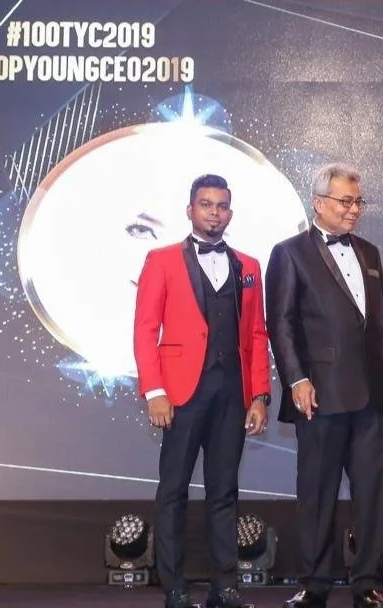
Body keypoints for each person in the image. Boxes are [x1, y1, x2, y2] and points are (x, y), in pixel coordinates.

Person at [264, 163, 383, 608]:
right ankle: (315, 584)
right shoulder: (288, 253)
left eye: (358, 201)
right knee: (318, 494)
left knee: (373, 493)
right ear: (319, 202)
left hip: (373, 395)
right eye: (346, 201)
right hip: (319, 394)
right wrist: (296, 379)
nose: (354, 210)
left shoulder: (370, 252)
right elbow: (280, 324)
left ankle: (366, 582)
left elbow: (381, 326)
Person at [133, 173, 273, 608]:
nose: (214, 212)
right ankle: (174, 588)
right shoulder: (160, 260)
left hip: (232, 393)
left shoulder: (248, 266)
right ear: (190, 209)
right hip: (179, 393)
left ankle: (224, 588)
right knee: (173, 490)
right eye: (206, 204)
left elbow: (256, 334)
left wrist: (259, 395)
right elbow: (144, 328)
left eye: (222, 206)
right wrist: (154, 390)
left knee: (224, 491)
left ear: (230, 212)